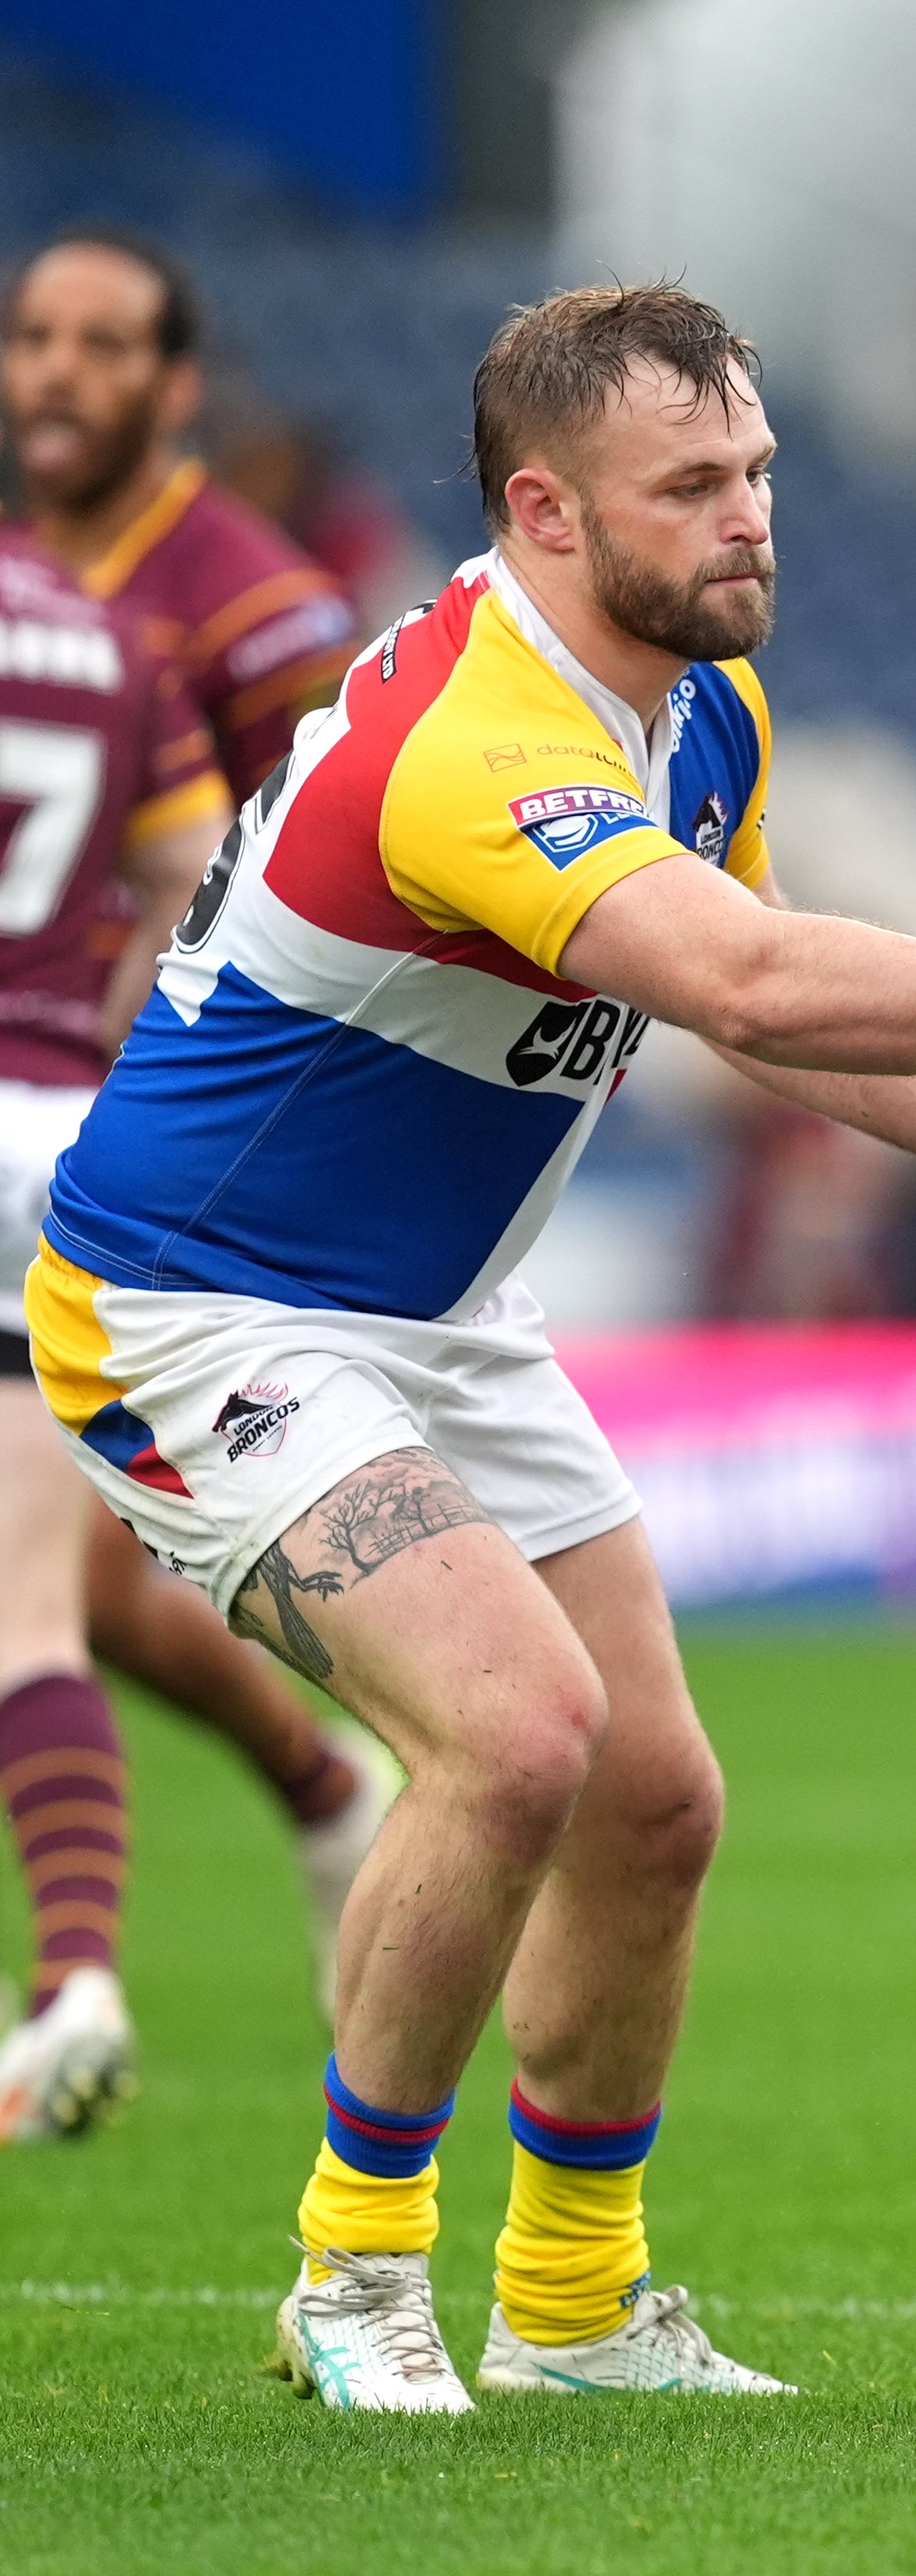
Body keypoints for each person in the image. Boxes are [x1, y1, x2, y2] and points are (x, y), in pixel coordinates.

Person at [24, 282, 916, 2413]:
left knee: (650, 1804)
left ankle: (575, 2301)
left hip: (435, 1314)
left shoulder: (701, 704)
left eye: (762, 477)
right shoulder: (474, 742)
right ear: (542, 512)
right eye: (695, 488)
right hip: (196, 1302)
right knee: (521, 1738)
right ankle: (353, 2279)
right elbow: (750, 967)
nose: (751, 525)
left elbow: (740, 1001)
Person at [5, 221, 403, 2002]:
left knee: (45, 1575)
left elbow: (340, 860)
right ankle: (326, 1791)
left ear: (174, 389)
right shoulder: (32, 569)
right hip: (52, 1127)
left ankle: (89, 1969)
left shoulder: (256, 608)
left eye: (102, 346)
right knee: (65, 1577)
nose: (57, 376)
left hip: (174, 1145)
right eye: (34, 339)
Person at [0, 524, 229, 2138]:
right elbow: (193, 875)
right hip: (50, 1133)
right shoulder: (111, 636)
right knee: (29, 1607)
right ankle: (73, 1975)